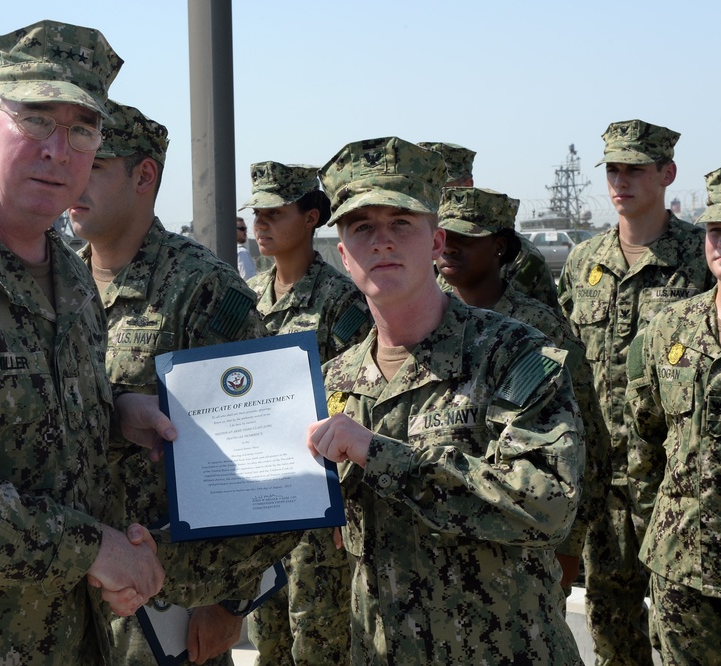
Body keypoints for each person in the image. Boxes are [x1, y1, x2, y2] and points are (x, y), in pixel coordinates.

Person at [0, 21, 291, 664]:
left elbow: (26, 430)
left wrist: (112, 415)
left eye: (82, 129)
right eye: (36, 119)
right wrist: (95, 548)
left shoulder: (69, 275)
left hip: (70, 640)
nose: (60, 149)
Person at [308, 136, 584, 665]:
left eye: (401, 223)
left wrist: (379, 453)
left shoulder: (510, 353)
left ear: (436, 244)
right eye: (362, 227)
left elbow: (547, 502)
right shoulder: (333, 382)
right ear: (343, 256)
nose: (382, 242)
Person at [70, 99, 265, 666]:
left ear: (144, 176)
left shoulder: (202, 291)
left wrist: (229, 601)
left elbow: (256, 452)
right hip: (67, 601)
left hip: (168, 610)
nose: (72, 179)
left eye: (95, 165)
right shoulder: (54, 285)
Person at [559, 119, 712, 666]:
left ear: (667, 173)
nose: (620, 181)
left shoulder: (703, 257)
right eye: (613, 170)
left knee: (687, 625)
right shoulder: (584, 262)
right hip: (603, 476)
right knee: (608, 618)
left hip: (681, 482)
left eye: (635, 169)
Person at [434, 186, 609, 598]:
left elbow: (588, 443)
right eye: (444, 236)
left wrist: (570, 546)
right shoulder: (427, 318)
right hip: (439, 543)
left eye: (466, 237)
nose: (449, 248)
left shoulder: (538, 329)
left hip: (523, 551)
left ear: (498, 247)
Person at [240, 161, 371, 665]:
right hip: (260, 494)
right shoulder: (248, 298)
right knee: (267, 633)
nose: (260, 225)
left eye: (275, 212)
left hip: (319, 499)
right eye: (257, 213)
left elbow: (359, 402)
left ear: (313, 217)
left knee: (320, 637)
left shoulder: (343, 302)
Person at [625, 166, 721, 665]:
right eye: (715, 231)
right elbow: (644, 448)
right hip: (682, 567)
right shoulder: (668, 330)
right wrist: (656, 533)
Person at [420, 141, 560, 309]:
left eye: (439, 188)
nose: (431, 198)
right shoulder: (416, 244)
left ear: (467, 185)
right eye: (423, 189)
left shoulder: (514, 255)